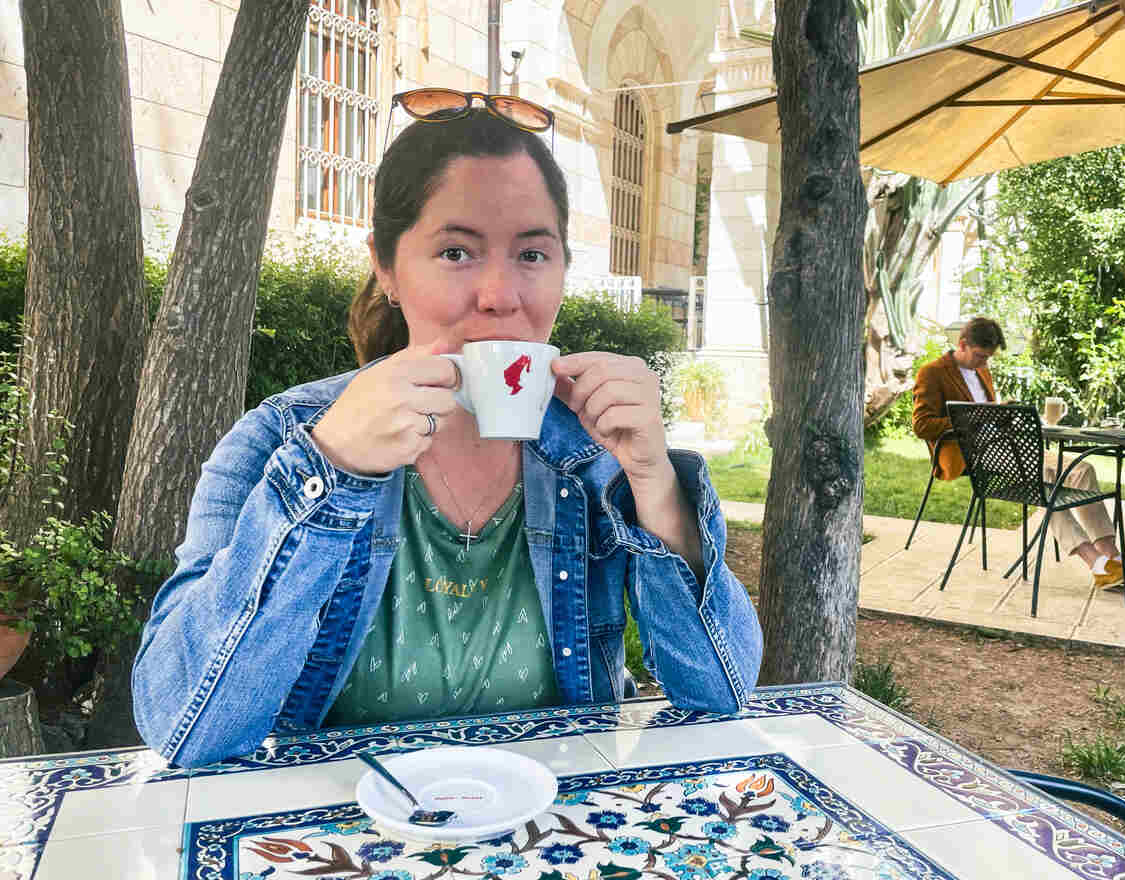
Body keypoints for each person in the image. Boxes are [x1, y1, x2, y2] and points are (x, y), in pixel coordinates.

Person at [131, 102, 763, 768]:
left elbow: (720, 695)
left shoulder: (595, 457)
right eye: (456, 251)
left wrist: (655, 484)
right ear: (386, 267)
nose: (499, 294)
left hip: (560, 836)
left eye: (532, 253)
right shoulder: (277, 443)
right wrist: (332, 470)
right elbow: (185, 729)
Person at [912, 317, 1125, 590]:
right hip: (969, 454)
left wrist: (1001, 413)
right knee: (1044, 486)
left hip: (1005, 446)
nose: (984, 364)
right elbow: (922, 426)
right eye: (980, 356)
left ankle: (1112, 558)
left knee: (1082, 470)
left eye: (988, 358)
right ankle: (1097, 565)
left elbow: (988, 414)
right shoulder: (932, 372)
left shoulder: (982, 370)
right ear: (962, 344)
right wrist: (976, 417)